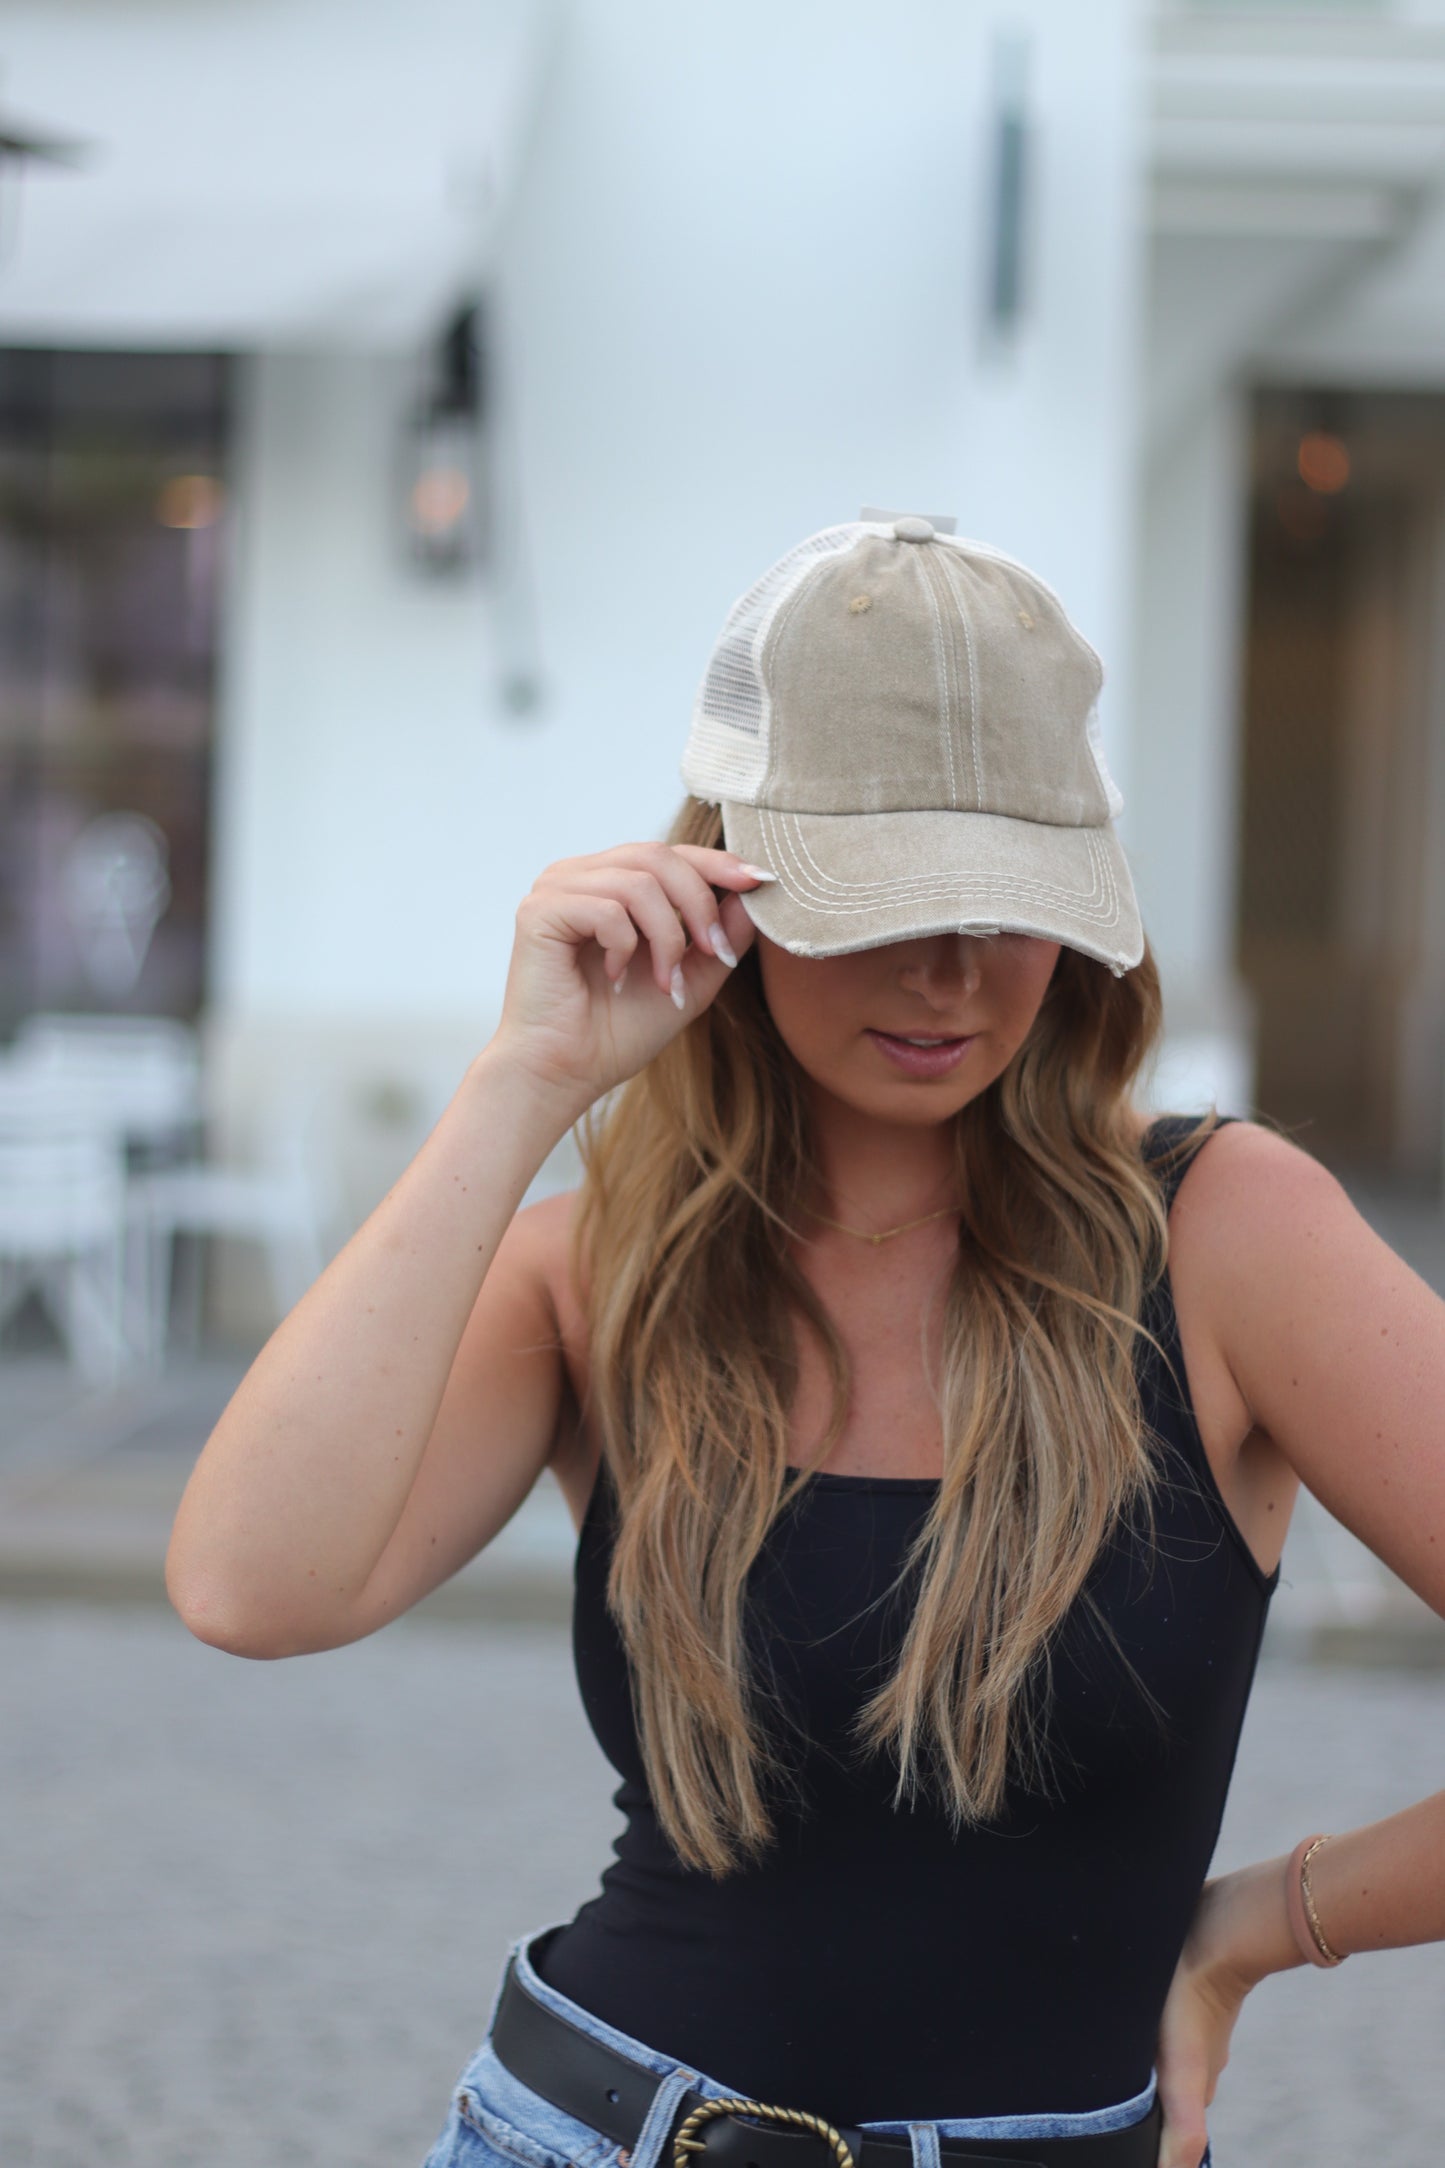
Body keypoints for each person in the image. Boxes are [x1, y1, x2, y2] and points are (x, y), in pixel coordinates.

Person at [167, 513, 1445, 2168]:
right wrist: (523, 1084)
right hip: (582, 2130)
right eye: (878, 901)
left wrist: (1266, 1924)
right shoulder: (603, 1271)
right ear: (728, 873)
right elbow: (250, 1588)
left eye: (1009, 903)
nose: (950, 971)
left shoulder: (1221, 1233)